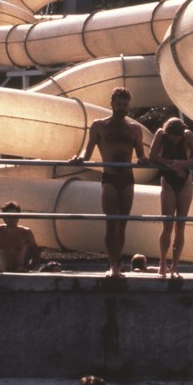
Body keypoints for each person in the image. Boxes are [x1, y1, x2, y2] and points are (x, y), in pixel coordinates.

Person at [69, 87, 147, 278]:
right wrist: (79, 158)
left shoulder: (135, 128)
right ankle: (112, 264)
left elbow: (141, 155)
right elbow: (86, 153)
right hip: (110, 178)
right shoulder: (99, 126)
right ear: (112, 104)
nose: (122, 108)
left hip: (128, 178)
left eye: (125, 105)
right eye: (119, 104)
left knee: (122, 224)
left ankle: (118, 262)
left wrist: (145, 160)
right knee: (111, 222)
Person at [149, 117, 193, 278]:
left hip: (185, 182)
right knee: (167, 224)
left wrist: (181, 164)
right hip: (168, 182)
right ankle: (162, 264)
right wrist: (170, 165)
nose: (174, 139)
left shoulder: (187, 135)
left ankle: (175, 266)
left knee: (181, 226)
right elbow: (152, 156)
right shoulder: (161, 134)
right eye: (172, 137)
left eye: (177, 137)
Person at [0, 200, 41, 272]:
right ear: (4, 217)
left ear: (19, 216)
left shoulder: (26, 232)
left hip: (18, 274)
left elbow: (36, 253)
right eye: (8, 215)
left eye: (14, 215)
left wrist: (30, 267)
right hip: (1, 274)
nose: (11, 218)